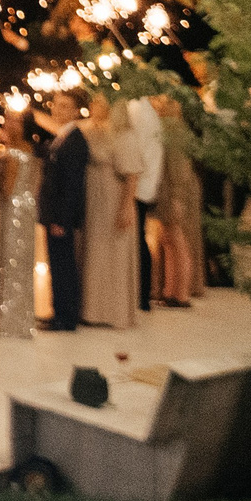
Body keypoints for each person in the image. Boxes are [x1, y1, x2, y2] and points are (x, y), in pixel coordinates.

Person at [80, 92, 145, 327]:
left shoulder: (123, 134)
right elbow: (60, 127)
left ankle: (111, 312)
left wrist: (126, 207)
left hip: (113, 200)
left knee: (110, 254)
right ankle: (91, 310)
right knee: (94, 254)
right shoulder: (90, 129)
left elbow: (132, 175)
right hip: (94, 199)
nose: (93, 106)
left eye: (98, 102)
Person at [0, 108, 42, 338]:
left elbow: (7, 188)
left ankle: (6, 322)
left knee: (8, 261)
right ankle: (15, 319)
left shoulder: (14, 153)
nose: (9, 124)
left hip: (12, 211)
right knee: (18, 263)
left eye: (15, 121)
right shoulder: (28, 150)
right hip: (25, 208)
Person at [37, 96, 90, 332]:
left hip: (62, 216)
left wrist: (62, 219)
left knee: (64, 265)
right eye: (57, 105)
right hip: (54, 213)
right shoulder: (62, 136)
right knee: (56, 264)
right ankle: (58, 310)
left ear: (77, 111)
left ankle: (66, 317)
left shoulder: (75, 141)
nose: (59, 110)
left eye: (65, 106)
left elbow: (72, 185)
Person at [151, 94, 206, 306]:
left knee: (176, 239)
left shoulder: (171, 129)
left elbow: (178, 166)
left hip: (174, 189)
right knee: (169, 239)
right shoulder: (176, 128)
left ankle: (180, 292)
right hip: (174, 188)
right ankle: (171, 290)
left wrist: (177, 197)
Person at [126, 85, 164, 309]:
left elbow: (135, 149)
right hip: (146, 182)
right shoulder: (149, 113)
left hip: (137, 184)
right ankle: (143, 294)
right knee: (140, 238)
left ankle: (141, 294)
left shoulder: (137, 109)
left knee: (137, 241)